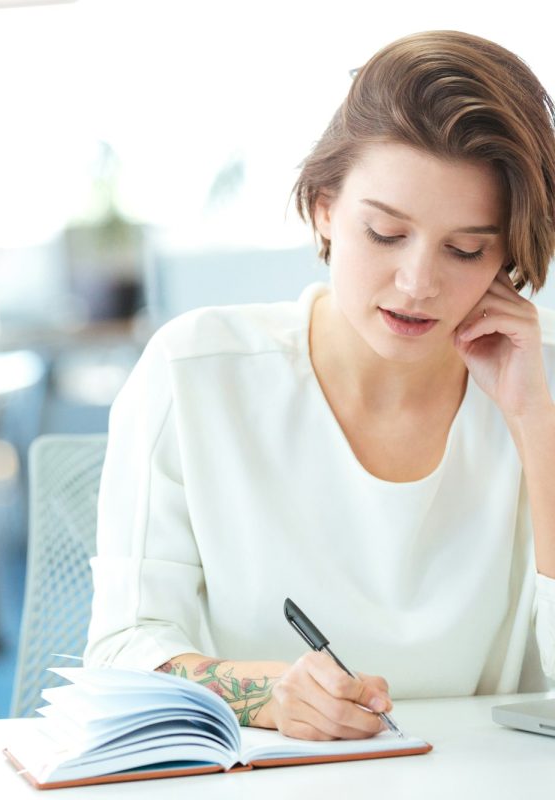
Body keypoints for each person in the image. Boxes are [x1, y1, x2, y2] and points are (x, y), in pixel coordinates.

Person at [83, 29, 555, 742]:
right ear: (325, 207)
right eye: (386, 234)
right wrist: (263, 694)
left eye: (465, 249)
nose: (418, 284)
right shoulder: (195, 372)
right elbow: (119, 656)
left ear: (508, 254)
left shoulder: (538, 380)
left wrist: (534, 425)